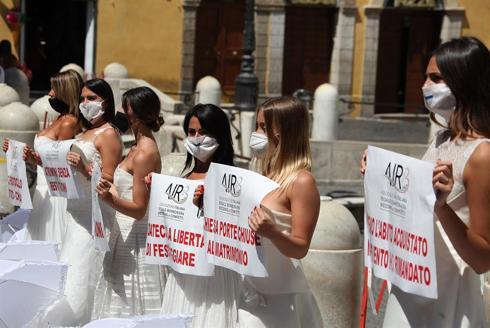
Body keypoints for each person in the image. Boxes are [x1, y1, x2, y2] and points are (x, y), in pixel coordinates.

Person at [361, 37, 490, 327]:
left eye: (436, 78)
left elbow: (483, 258)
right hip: (412, 283)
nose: (425, 86)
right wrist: (378, 174)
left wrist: (443, 208)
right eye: (425, 77)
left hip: (448, 297)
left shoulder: (483, 154)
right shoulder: (442, 139)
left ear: (464, 82)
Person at [237, 96, 323, 328]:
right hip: (248, 288)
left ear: (284, 132)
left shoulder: (301, 181)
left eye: (263, 127)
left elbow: (300, 247)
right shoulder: (261, 173)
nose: (256, 132)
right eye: (256, 125)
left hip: (280, 297)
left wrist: (273, 232)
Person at [42, 78, 122, 326]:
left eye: (92, 98)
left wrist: (86, 169)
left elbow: (108, 182)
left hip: (92, 218)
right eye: (83, 98)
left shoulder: (108, 134)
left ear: (105, 102)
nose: (85, 103)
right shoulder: (84, 132)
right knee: (67, 274)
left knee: (79, 280)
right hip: (73, 214)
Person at [159, 103, 240, 328]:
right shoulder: (183, 178)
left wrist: (210, 207)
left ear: (219, 135)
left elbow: (236, 229)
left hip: (214, 272)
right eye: (192, 132)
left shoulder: (232, 180)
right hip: (183, 271)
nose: (196, 138)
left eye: (204, 132)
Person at [92, 86, 166, 317]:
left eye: (126, 108)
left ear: (136, 112)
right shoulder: (134, 147)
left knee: (132, 303)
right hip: (121, 233)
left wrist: (109, 198)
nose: (122, 112)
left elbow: (139, 210)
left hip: (136, 239)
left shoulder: (145, 153)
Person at [2, 70, 82, 243]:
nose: (50, 93)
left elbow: (60, 164)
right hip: (42, 190)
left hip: (54, 194)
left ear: (65, 91)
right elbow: (43, 154)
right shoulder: (60, 118)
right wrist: (18, 150)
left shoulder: (69, 123)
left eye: (54, 89)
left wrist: (33, 158)